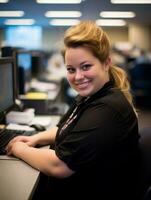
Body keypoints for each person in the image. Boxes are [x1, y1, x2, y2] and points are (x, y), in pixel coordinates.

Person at [6, 21, 142, 199]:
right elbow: (65, 127)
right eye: (71, 69)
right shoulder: (92, 95)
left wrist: (18, 149)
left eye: (86, 66)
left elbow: (59, 166)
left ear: (106, 63)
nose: (78, 77)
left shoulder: (107, 109)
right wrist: (35, 138)